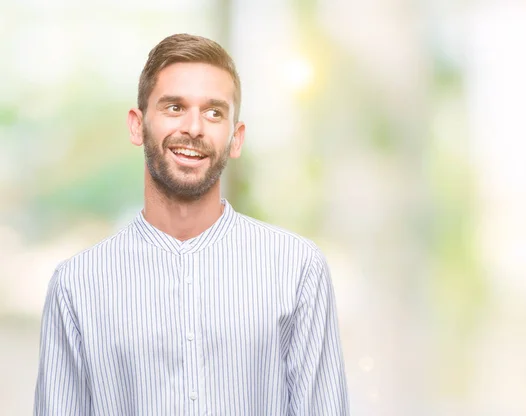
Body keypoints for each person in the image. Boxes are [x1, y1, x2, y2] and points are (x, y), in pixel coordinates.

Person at [34, 34, 349, 415]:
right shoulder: (77, 286)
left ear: (236, 138)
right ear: (137, 126)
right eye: (174, 107)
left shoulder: (297, 269)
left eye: (214, 112)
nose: (194, 128)